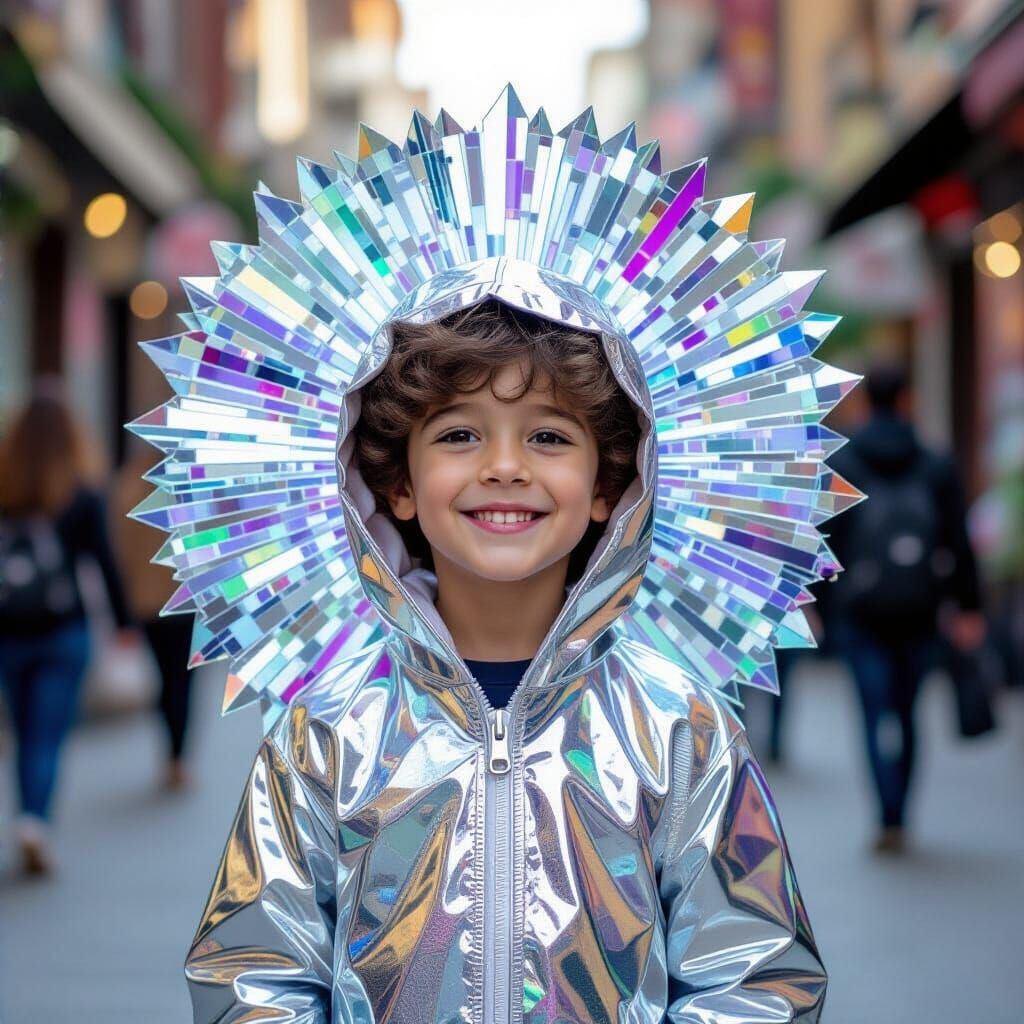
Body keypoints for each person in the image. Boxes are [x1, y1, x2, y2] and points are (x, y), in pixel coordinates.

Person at [141, 95, 841, 1022]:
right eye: (461, 433)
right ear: (394, 484)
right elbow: (256, 974)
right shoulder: (329, 726)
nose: (505, 467)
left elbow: (754, 978)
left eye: (550, 437)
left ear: (611, 489)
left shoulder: (679, 724)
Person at [827, 364, 985, 853]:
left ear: (866, 401)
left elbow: (828, 540)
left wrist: (820, 604)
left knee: (873, 713)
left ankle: (886, 814)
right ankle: (902, 813)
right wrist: (969, 606)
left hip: (861, 610)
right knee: (909, 710)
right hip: (920, 607)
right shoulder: (934, 462)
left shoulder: (846, 462)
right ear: (907, 400)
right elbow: (958, 540)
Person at [0, 382, 134, 875]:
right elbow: (104, 561)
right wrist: (123, 622)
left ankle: (27, 817)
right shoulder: (80, 490)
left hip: (9, 632)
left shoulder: (6, 485)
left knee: (24, 726)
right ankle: (35, 820)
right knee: (47, 733)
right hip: (64, 632)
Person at [111, 445, 196, 790]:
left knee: (165, 678)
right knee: (182, 680)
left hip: (147, 602)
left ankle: (173, 751)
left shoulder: (130, 483)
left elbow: (118, 547)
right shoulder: (188, 484)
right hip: (184, 599)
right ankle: (177, 756)